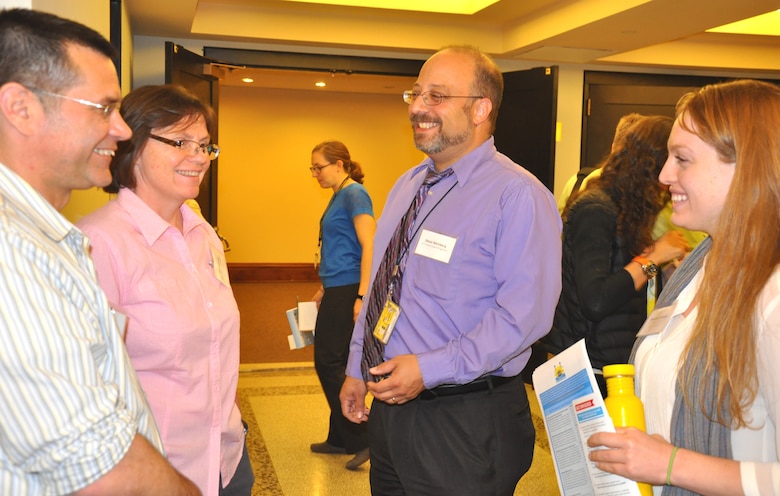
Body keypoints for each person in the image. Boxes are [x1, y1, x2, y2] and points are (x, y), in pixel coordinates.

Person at [339, 45, 563, 495]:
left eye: (437, 96)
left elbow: (524, 319)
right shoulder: (409, 185)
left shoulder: (517, 196)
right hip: (393, 412)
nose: (418, 107)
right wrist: (357, 364)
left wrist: (430, 368)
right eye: (416, 93)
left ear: (481, 109)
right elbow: (388, 284)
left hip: (466, 422)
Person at [0, 9, 199, 495]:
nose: (122, 130)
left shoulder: (50, 238)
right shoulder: (14, 250)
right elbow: (92, 463)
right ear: (20, 107)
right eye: (101, 108)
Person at [588, 79, 780, 495]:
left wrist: (670, 464)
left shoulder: (773, 295)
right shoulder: (701, 264)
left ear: (746, 166)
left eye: (683, 159)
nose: (663, 175)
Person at [76, 84, 253, 496]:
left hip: (226, 459)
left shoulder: (202, 234)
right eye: (180, 142)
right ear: (133, 144)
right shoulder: (99, 243)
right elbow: (89, 384)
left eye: (205, 146)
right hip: (156, 470)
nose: (198, 157)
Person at [542, 115, 690, 396]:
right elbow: (596, 301)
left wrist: (659, 268)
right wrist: (653, 257)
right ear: (650, 165)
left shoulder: (626, 208)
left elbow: (625, 283)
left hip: (612, 363)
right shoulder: (596, 208)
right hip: (587, 370)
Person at [308, 140, 374, 470]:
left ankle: (364, 435)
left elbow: (369, 244)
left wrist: (361, 295)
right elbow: (338, 245)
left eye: (319, 167)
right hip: (337, 286)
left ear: (340, 164)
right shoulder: (339, 194)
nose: (315, 174)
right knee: (337, 360)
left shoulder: (354, 194)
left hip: (350, 288)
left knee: (329, 362)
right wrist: (324, 287)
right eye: (313, 169)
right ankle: (339, 437)